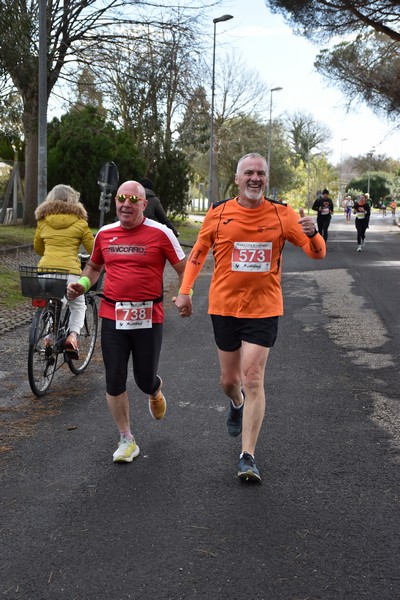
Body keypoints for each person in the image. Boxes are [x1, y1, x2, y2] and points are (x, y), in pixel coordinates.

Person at [173, 152, 326, 483]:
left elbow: (317, 253)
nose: (255, 178)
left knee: (253, 376)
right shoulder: (218, 213)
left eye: (261, 173)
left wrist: (312, 232)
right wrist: (185, 290)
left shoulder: (283, 214)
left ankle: (247, 456)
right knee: (230, 382)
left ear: (266, 178)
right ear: (238, 179)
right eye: (249, 173)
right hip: (224, 307)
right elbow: (198, 254)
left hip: (264, 308)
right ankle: (236, 403)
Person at [66, 180, 187, 464]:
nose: (126, 203)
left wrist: (186, 294)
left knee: (144, 379)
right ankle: (126, 439)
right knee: (114, 378)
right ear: (116, 202)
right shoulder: (105, 234)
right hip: (113, 315)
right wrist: (83, 284)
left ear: (144, 205)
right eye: (121, 198)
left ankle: (154, 389)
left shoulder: (161, 233)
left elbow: (185, 268)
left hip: (148, 317)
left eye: (133, 199)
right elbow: (94, 267)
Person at [33, 184, 94, 357]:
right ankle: (73, 336)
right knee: (78, 305)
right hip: (70, 274)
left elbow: (38, 247)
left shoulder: (43, 220)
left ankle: (48, 337)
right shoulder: (80, 222)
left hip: (44, 272)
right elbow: (93, 250)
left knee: (51, 301)